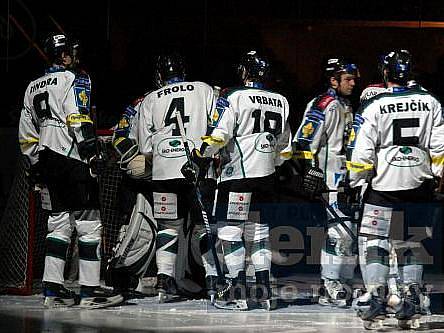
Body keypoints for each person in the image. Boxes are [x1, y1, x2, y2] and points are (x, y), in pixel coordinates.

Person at [18, 33, 123, 308]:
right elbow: (77, 116)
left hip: (46, 160)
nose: (74, 57)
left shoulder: (32, 86)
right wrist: (89, 155)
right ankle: (89, 292)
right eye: (70, 53)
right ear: (63, 55)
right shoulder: (75, 78)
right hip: (72, 157)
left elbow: (26, 134)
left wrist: (35, 165)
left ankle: (52, 291)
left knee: (58, 224)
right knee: (89, 225)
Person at [188, 50, 291, 310]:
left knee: (231, 232)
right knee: (260, 233)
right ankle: (265, 291)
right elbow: (285, 148)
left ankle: (237, 291)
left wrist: (200, 157)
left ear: (245, 72)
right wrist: (269, 163)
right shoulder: (281, 100)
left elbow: (219, 135)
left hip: (238, 177)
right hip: (267, 177)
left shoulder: (233, 96)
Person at [348, 49, 444, 329]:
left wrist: (354, 183)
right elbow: (440, 147)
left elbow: (362, 152)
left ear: (385, 73)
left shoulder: (374, 105)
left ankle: (377, 296)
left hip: (384, 185)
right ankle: (411, 295)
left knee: (375, 241)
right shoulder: (431, 101)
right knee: (411, 242)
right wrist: (439, 176)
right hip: (420, 184)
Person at [137, 53, 219, 303]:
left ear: (161, 74)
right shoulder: (203, 89)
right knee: (202, 227)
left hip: (163, 169)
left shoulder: (150, 99)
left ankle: (164, 280)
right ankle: (213, 279)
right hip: (196, 168)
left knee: (168, 226)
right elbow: (218, 125)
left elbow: (144, 147)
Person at [292, 58, 360, 307]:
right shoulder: (325, 104)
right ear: (333, 80)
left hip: (347, 178)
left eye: (354, 79)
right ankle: (329, 284)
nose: (353, 83)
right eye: (348, 79)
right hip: (329, 179)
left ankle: (344, 282)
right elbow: (303, 141)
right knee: (339, 233)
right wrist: (312, 172)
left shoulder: (345, 103)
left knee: (349, 234)